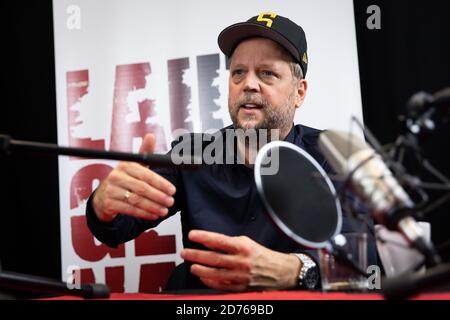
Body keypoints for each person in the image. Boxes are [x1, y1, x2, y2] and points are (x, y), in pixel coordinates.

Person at [86, 13, 374, 292]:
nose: (248, 84)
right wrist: (104, 204)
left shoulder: (332, 155)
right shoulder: (192, 153)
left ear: (299, 92)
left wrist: (294, 269)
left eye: (267, 73)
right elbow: (116, 228)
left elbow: (363, 257)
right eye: (238, 72)